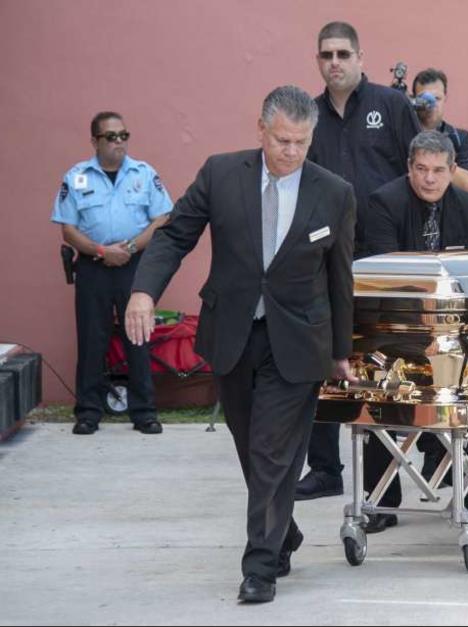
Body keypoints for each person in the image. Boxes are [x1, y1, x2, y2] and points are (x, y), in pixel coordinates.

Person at [125, 86, 356, 603]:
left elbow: (340, 277)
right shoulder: (221, 174)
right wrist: (144, 291)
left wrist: (341, 350)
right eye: (281, 140)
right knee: (252, 449)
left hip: (298, 343)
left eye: (301, 142)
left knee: (272, 452)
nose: (291, 152)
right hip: (232, 334)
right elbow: (174, 236)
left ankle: (260, 568)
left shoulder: (334, 192)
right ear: (261, 129)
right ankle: (283, 531)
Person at [297, 20, 422, 502]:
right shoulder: (307, 114)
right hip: (325, 256)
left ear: (360, 57)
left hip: (384, 256)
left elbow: (416, 172)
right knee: (321, 358)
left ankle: (383, 486)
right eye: (326, 55)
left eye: (343, 54)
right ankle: (325, 469)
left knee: (381, 367)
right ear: (318, 60)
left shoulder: (391, 106)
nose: (335, 63)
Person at [361, 130, 468, 532]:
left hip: (449, 323)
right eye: (421, 169)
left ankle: (460, 477)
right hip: (392, 322)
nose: (429, 178)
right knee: (382, 390)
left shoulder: (466, 203)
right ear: (409, 168)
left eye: (438, 170)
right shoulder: (383, 202)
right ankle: (382, 498)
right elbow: (388, 275)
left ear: (452, 170)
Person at [51, 111, 172, 436]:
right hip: (94, 267)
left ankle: (144, 412)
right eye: (111, 136)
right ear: (95, 141)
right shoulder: (77, 177)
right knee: (92, 339)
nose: (119, 142)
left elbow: (162, 219)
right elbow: (68, 229)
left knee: (138, 336)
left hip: (135, 266)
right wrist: (103, 251)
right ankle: (88, 412)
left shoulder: (144, 173)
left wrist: (129, 248)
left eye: (123, 135)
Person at [412, 68, 468, 194]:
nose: (431, 104)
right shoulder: (402, 133)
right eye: (424, 99)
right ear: (414, 100)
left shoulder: (459, 137)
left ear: (445, 98)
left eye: (436, 98)